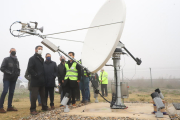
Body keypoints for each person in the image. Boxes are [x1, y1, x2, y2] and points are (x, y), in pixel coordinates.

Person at [28, 45, 49, 115]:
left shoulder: (42, 59)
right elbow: (29, 69)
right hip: (35, 80)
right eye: (39, 49)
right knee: (34, 96)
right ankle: (33, 109)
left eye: (41, 49)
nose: (40, 50)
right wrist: (36, 75)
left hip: (42, 81)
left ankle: (44, 106)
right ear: (35, 50)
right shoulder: (32, 59)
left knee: (43, 95)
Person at [0, 48, 20, 113]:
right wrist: (9, 73)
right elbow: (2, 68)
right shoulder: (6, 59)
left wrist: (17, 74)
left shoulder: (17, 61)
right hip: (7, 78)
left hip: (13, 79)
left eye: (14, 51)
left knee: (11, 92)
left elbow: (18, 69)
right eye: (12, 51)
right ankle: (0, 107)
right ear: (10, 52)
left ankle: (9, 106)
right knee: (5, 91)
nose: (14, 52)